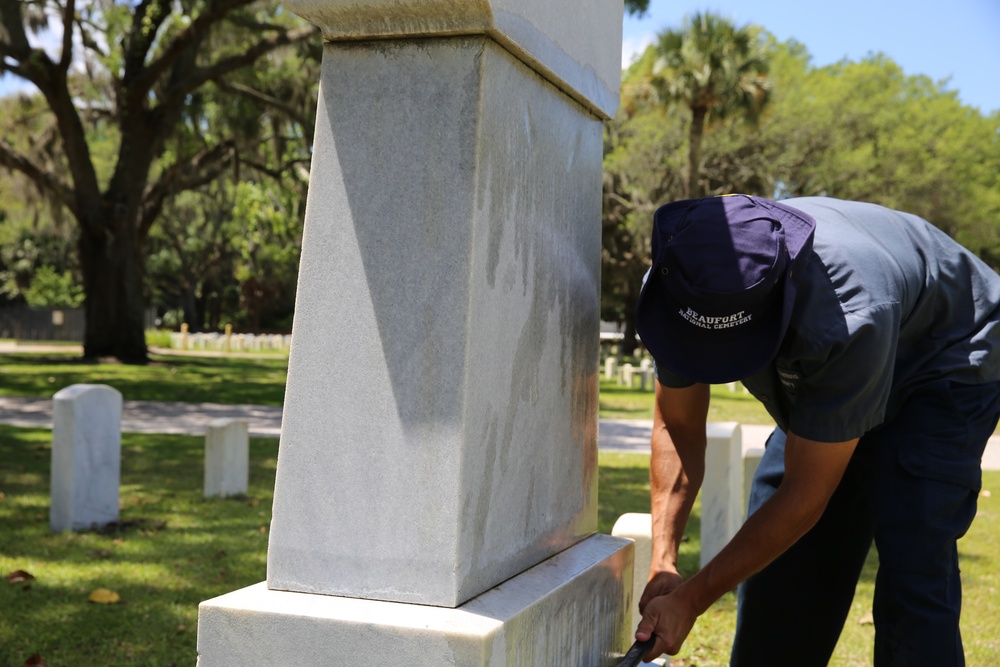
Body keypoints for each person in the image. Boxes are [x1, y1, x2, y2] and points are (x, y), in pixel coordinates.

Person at [631, 194, 1000, 666]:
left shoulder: (844, 314)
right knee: (782, 574)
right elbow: (678, 424)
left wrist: (691, 599)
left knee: (915, 555)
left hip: (943, 356)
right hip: (842, 355)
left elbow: (806, 495)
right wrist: (664, 560)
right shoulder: (681, 281)